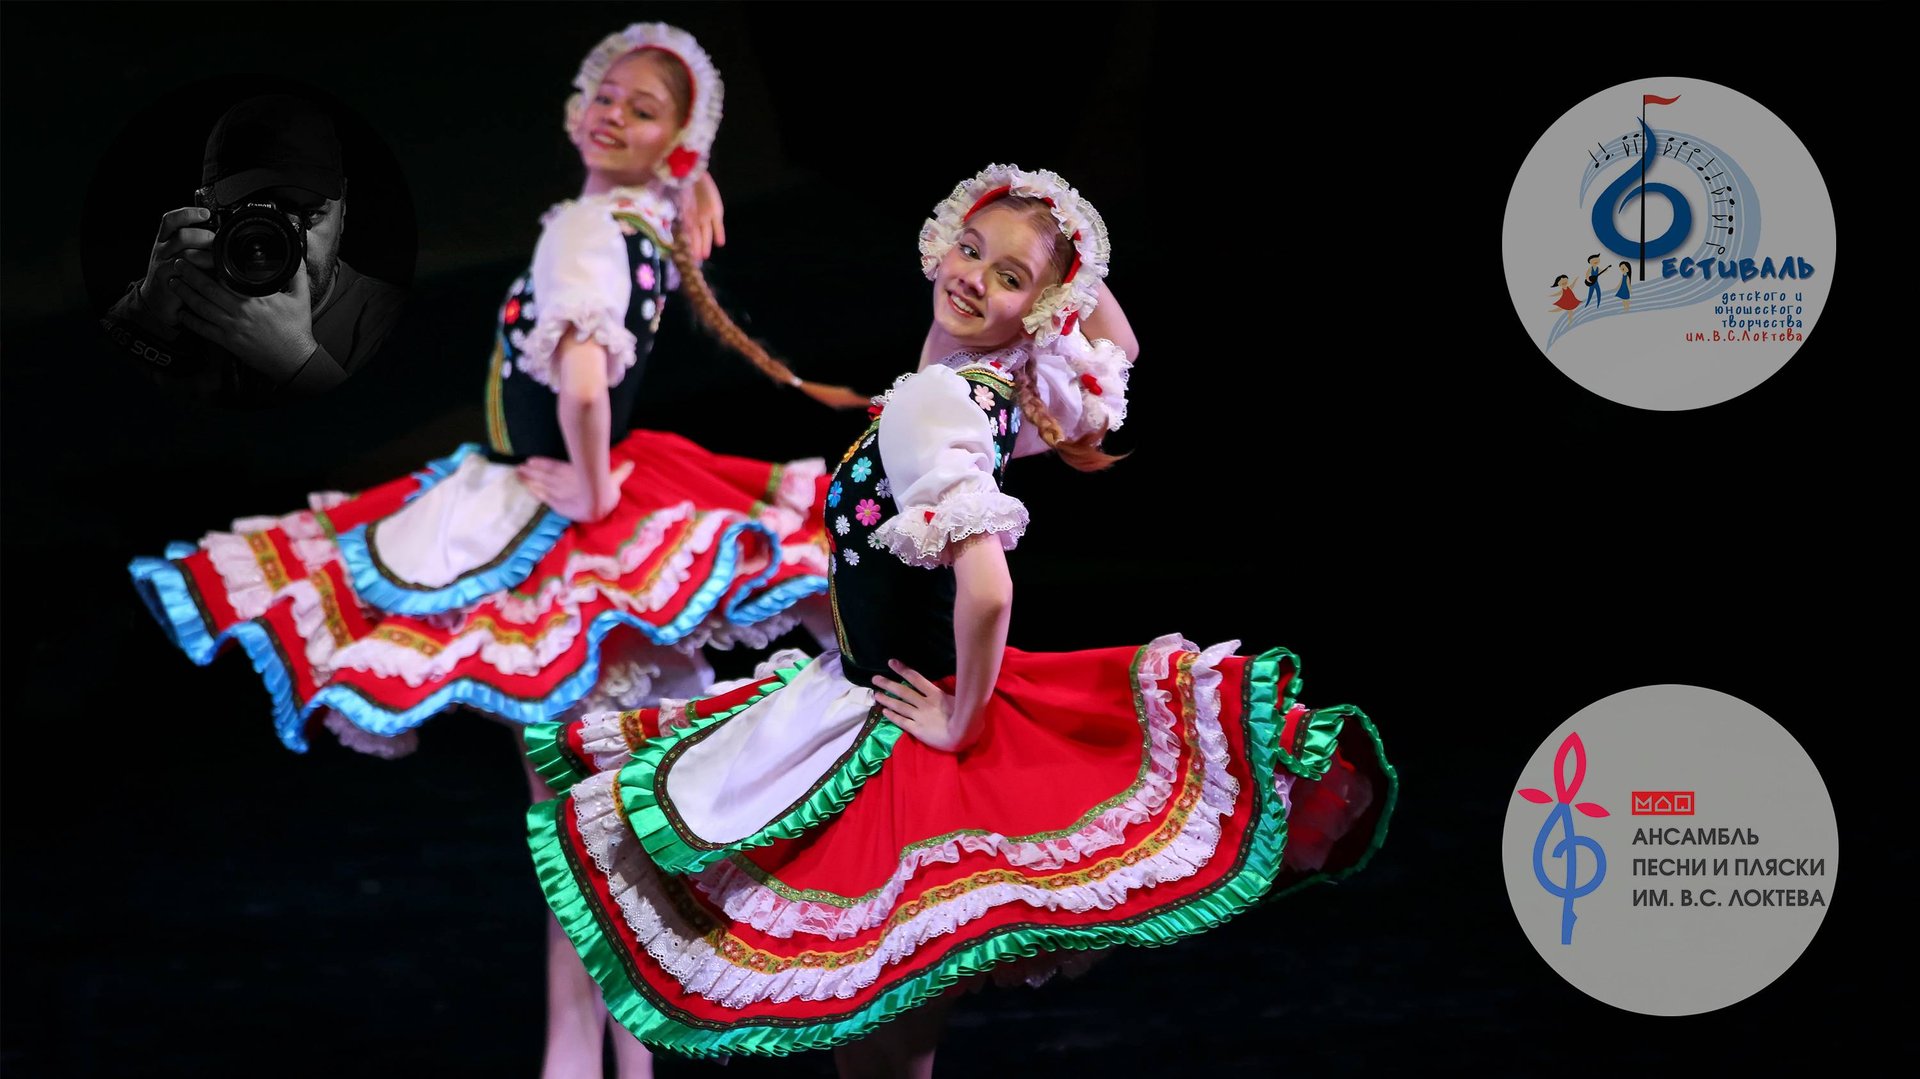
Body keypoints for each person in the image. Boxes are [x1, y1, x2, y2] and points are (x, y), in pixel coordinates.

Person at [523, 164, 1398, 1074]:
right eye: (972, 250)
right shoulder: (989, 392)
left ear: (1039, 315)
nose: (973, 275)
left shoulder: (936, 405)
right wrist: (1059, 253)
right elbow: (1122, 347)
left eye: (1009, 278)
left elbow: (988, 588)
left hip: (899, 728)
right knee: (886, 1035)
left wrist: (961, 716)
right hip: (868, 700)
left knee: (881, 1039)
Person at [127, 24, 859, 1076]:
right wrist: (685, 173)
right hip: (583, 514)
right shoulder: (637, 212)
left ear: (669, 141)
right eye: (606, 95)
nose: (611, 112)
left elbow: (585, 375)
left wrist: (597, 480)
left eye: (640, 110)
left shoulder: (583, 234)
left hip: (562, 520)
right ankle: (596, 1053)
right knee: (593, 826)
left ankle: (594, 1056)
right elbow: (638, 261)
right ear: (578, 104)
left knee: (581, 830)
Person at [99, 93, 406, 406]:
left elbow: (402, 441)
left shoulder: (389, 319)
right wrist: (143, 318)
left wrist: (300, 361)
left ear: (343, 209)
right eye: (256, 217)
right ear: (205, 210)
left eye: (310, 214)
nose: (285, 241)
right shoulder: (170, 300)